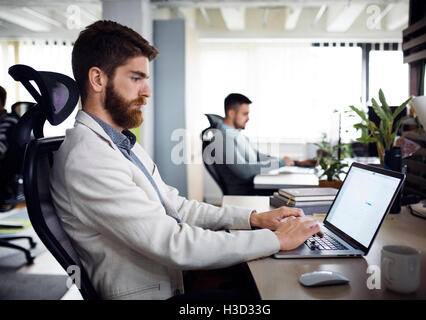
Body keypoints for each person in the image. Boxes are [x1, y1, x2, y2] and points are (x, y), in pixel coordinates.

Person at [49, 21, 322, 300]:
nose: (147, 92)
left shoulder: (121, 143)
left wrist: (254, 219)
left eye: (146, 79)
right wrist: (277, 239)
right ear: (98, 79)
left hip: (172, 280)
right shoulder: (89, 158)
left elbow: (176, 206)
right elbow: (173, 243)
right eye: (136, 78)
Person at [214, 93, 316, 195]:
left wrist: (294, 162)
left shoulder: (235, 134)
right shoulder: (223, 138)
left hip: (253, 186)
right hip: (246, 192)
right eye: (245, 114)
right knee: (298, 192)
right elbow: (245, 171)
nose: (248, 119)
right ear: (231, 113)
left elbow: (257, 156)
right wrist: (280, 163)